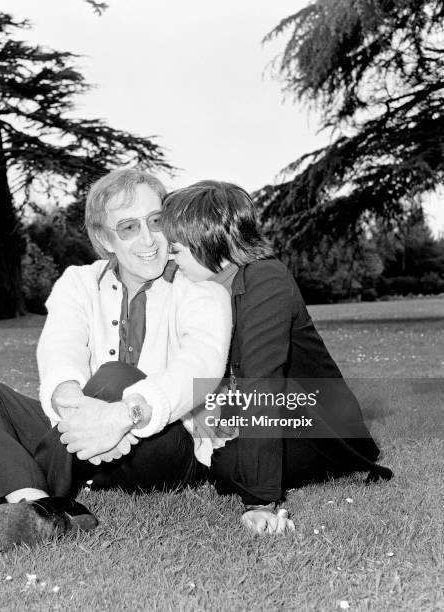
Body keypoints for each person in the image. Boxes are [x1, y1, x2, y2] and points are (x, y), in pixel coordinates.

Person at [0, 169, 232, 551]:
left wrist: (123, 414)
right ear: (105, 238)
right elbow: (60, 349)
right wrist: (77, 403)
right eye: (129, 227)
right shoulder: (78, 282)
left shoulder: (199, 289)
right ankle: (39, 506)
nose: (149, 239)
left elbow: (200, 365)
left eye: (156, 222)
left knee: (115, 378)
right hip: (84, 433)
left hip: (164, 446)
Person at [161, 180, 393, 535]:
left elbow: (261, 381)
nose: (171, 261)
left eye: (175, 250)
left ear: (207, 242)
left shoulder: (265, 279)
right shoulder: (214, 287)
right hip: (276, 413)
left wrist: (259, 501)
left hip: (321, 429)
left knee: (227, 465)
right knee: (202, 449)